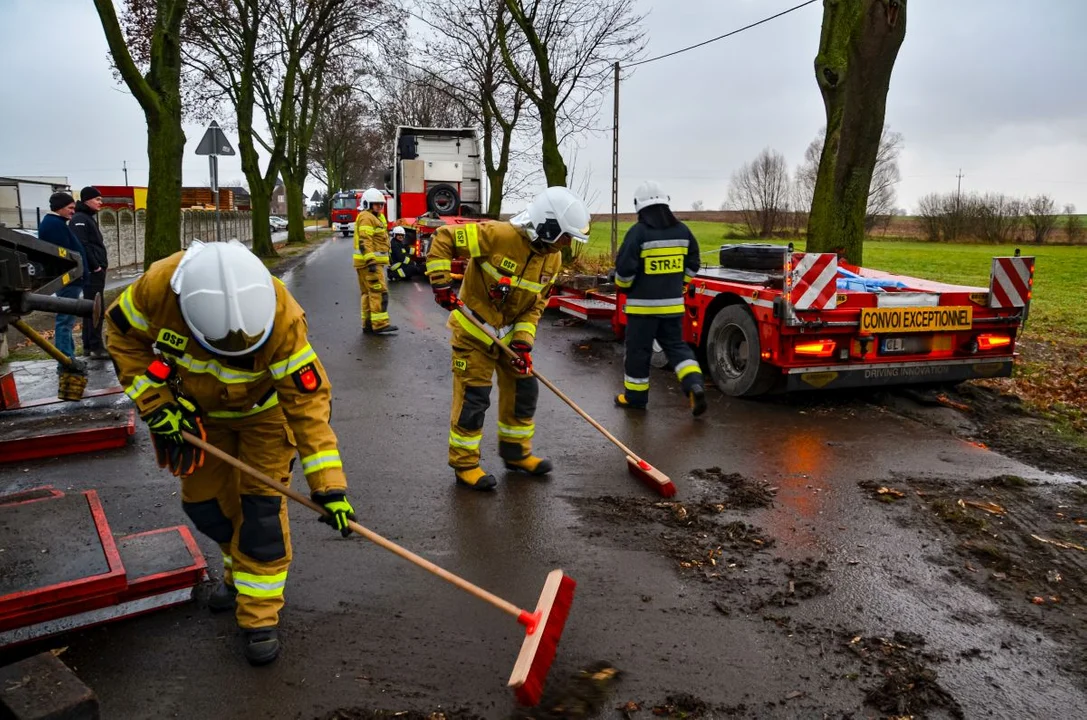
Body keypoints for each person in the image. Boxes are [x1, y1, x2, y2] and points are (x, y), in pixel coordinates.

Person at [104, 240, 356, 666]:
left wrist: (328, 486)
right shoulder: (156, 289)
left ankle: (259, 616)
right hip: (198, 418)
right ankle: (235, 573)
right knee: (206, 507)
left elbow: (308, 406)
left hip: (265, 416)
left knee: (260, 515)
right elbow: (122, 341)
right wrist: (157, 403)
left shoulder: (280, 316)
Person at [426, 186, 591, 491]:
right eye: (565, 236)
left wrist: (523, 343)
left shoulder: (551, 261)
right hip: (474, 332)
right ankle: (465, 464)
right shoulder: (497, 235)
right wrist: (440, 283)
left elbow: (536, 305)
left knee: (524, 388)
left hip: (508, 337)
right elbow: (443, 239)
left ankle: (516, 454)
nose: (567, 244)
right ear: (548, 227)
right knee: (474, 398)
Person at [613, 181, 707, 416]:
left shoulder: (638, 232)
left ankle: (635, 398)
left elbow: (624, 270)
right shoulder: (683, 231)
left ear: (639, 207)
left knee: (638, 352)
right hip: (673, 308)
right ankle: (694, 384)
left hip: (642, 311)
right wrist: (681, 284)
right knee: (677, 348)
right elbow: (694, 262)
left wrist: (621, 285)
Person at [36, 192, 88, 371]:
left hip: (71, 279)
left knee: (67, 321)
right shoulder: (54, 226)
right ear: (59, 207)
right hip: (69, 280)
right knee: (65, 321)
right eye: (70, 208)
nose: (73, 211)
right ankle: (65, 360)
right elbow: (63, 255)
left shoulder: (55, 224)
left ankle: (69, 357)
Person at [70, 186, 109, 359]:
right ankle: (96, 347)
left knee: (91, 308)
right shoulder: (80, 219)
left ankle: (89, 345)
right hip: (93, 272)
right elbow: (83, 246)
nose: (100, 202)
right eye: (97, 199)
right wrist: (95, 266)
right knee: (96, 308)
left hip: (95, 270)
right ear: (87, 200)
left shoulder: (86, 218)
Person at [352, 188, 397, 334]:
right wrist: (371, 261)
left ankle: (368, 324)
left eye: (381, 204)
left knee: (367, 293)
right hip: (370, 264)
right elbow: (366, 240)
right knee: (379, 292)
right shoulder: (367, 217)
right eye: (376, 204)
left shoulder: (373, 217)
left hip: (365, 263)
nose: (379, 207)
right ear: (367, 204)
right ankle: (380, 324)